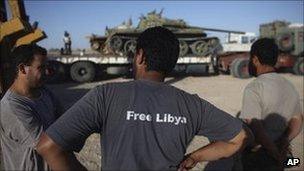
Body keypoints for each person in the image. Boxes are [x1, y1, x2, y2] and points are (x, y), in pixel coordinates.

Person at [37, 27, 247, 170]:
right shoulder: (192, 104)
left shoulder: (105, 95)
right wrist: (195, 157)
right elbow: (240, 137)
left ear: (139, 56)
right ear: (172, 62)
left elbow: (48, 146)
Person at [241, 38, 303, 170]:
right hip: (280, 155)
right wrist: (284, 141)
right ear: (275, 60)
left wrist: (274, 152)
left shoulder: (254, 88)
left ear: (255, 60)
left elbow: (255, 126)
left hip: (259, 157)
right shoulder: (289, 86)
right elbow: (298, 120)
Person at [0, 44, 64, 170]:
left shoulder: (44, 92)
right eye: (41, 67)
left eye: (46, 67)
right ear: (22, 69)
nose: (47, 72)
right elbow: (48, 146)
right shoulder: (12, 107)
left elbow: (65, 119)